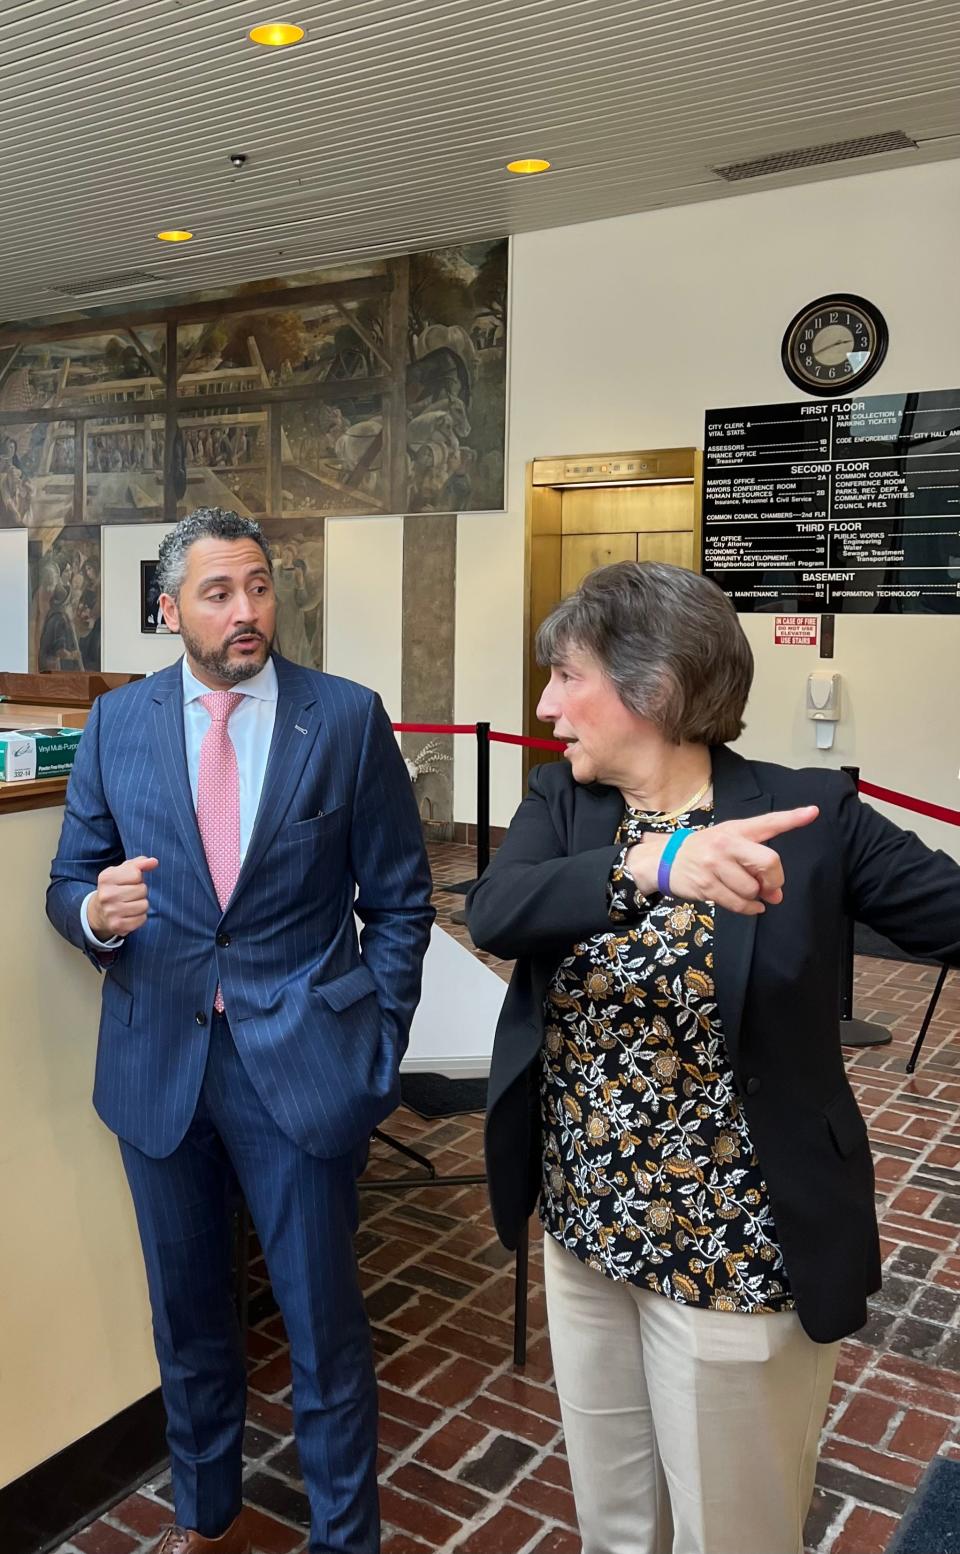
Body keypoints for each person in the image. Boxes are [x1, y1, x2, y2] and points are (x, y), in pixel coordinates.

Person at [466, 559, 960, 1554]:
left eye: (567, 676)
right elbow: (496, 912)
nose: (546, 703)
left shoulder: (810, 816)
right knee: (616, 1525)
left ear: (650, 691)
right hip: (588, 1227)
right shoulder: (563, 808)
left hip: (734, 1254)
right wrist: (648, 865)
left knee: (734, 1532)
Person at [48, 507, 434, 1554]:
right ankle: (206, 1519)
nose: (246, 611)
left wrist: (376, 1032)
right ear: (168, 610)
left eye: (259, 586)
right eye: (218, 593)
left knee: (323, 1334)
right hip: (157, 1065)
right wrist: (92, 913)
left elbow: (401, 900)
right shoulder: (117, 724)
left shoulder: (344, 718)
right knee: (188, 1324)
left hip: (303, 1068)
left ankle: (345, 1539)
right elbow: (68, 881)